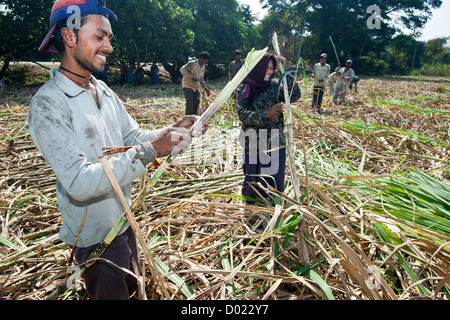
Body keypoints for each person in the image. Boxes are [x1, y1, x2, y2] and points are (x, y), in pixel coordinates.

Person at [28, 0, 204, 300]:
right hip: (95, 239)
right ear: (70, 37)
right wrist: (152, 150)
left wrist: (171, 132)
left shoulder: (103, 90)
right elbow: (79, 182)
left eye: (109, 38)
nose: (109, 47)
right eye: (99, 36)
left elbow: (132, 136)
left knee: (134, 289)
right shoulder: (48, 105)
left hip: (124, 221)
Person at [236, 53, 301, 204]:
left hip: (273, 137)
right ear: (257, 68)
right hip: (252, 137)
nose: (270, 71)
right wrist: (266, 114)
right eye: (267, 68)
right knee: (253, 175)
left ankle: (272, 201)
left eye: (272, 68)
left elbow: (295, 95)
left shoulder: (275, 86)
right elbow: (242, 114)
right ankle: (252, 202)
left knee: (274, 173)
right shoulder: (244, 88)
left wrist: (284, 72)